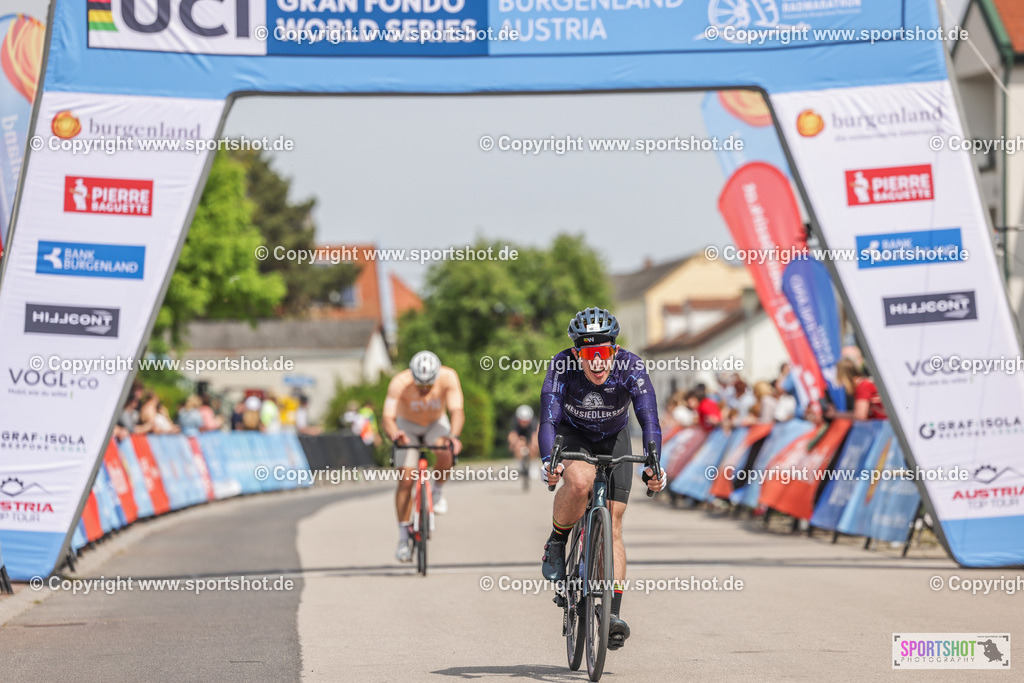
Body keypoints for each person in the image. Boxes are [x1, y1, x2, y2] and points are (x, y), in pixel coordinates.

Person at [540, 307, 665, 651]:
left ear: (615, 349)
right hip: (574, 434)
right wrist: (548, 461)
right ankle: (556, 540)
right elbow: (548, 420)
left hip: (615, 436)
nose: (597, 362)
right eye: (588, 353)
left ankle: (611, 615)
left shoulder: (631, 366)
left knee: (615, 522)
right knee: (580, 482)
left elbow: (649, 417)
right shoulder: (561, 367)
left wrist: (654, 463)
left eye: (604, 352)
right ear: (576, 353)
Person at [382, 350, 465, 563]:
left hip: (436, 424)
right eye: (420, 385)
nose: (424, 389)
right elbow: (387, 418)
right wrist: (395, 434)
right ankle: (402, 539)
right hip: (407, 426)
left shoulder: (448, 377)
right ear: (412, 376)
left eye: (429, 385)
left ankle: (437, 490)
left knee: (445, 449)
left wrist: (454, 436)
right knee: (406, 480)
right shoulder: (399, 382)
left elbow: (457, 411)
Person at [508, 404, 539, 480]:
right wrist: (515, 444)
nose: (524, 423)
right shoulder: (514, 421)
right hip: (520, 436)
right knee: (516, 445)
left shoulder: (534, 422)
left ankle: (532, 464)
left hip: (530, 435)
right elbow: (512, 435)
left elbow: (535, 436)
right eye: (522, 421)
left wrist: (533, 445)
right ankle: (520, 465)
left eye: (526, 421)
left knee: (534, 446)